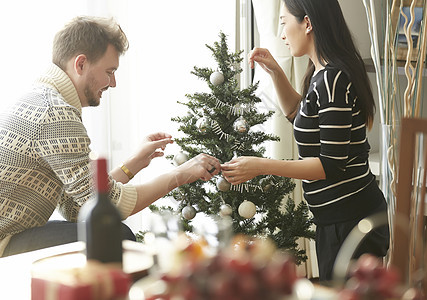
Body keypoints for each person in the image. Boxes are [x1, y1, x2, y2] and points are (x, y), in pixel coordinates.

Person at [0, 16, 221, 257]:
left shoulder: (44, 100)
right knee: (117, 236)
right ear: (81, 64)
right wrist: (182, 173)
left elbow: (78, 206)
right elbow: (114, 203)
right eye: (109, 71)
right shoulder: (55, 114)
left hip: (12, 234)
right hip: (5, 240)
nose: (113, 83)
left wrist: (133, 164)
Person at [221, 0, 389, 282]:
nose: (282, 34)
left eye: (284, 22)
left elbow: (330, 165)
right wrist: (275, 71)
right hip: (337, 218)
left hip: (351, 219)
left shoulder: (332, 79)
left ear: (307, 23)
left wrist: (261, 166)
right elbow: (301, 116)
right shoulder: (322, 73)